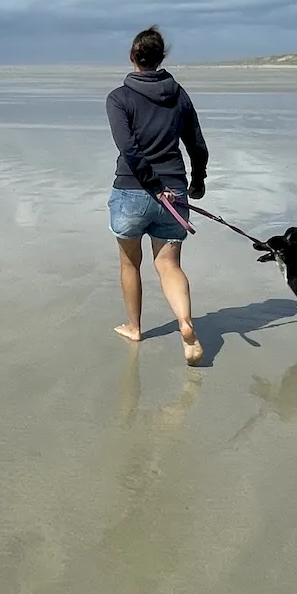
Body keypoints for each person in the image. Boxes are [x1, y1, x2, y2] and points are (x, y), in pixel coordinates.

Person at [107, 25, 210, 364]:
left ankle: (135, 327)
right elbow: (196, 144)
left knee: (129, 263)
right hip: (174, 193)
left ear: (133, 57)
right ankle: (185, 323)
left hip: (133, 191)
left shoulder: (119, 98)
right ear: (160, 58)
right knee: (168, 264)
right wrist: (197, 181)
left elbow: (129, 149)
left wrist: (151, 184)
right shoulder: (178, 94)